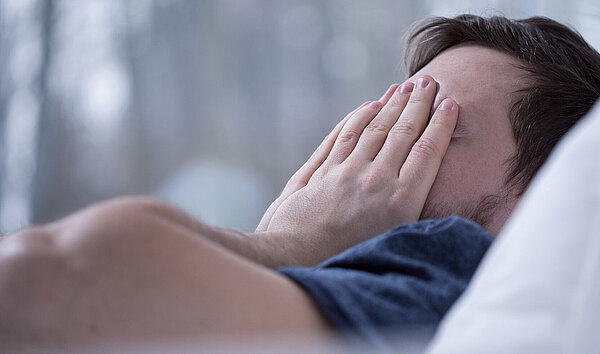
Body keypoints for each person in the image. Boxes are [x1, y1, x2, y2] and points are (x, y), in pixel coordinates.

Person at [0, 14, 599, 349]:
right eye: (378, 120)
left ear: (543, 195)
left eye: (423, 130)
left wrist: (290, 245)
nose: (362, 155)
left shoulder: (446, 266)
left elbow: (37, 282)